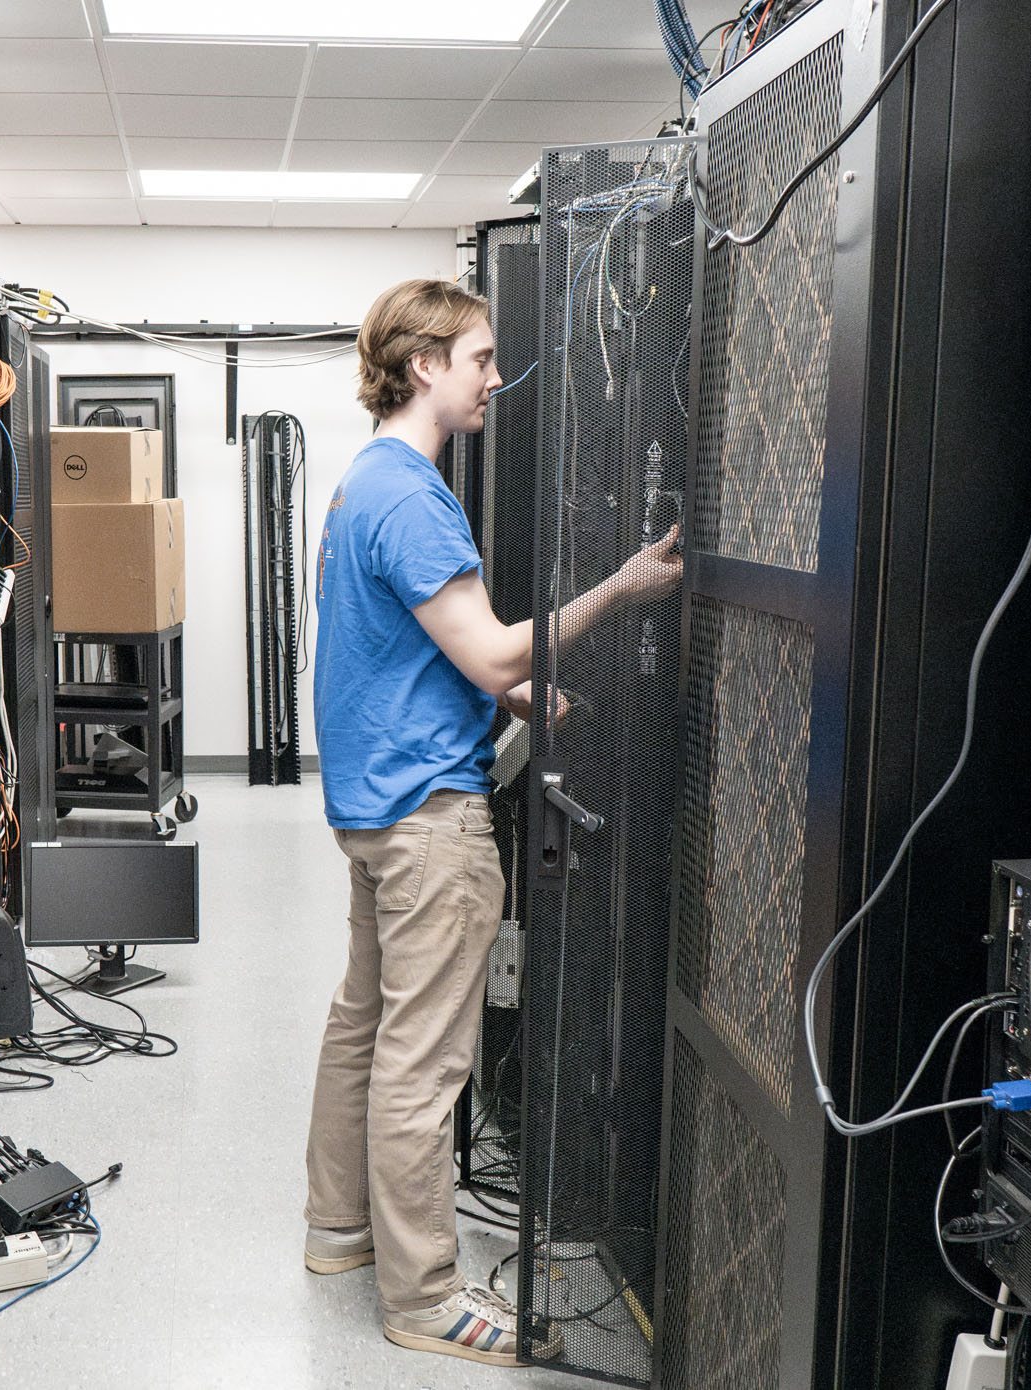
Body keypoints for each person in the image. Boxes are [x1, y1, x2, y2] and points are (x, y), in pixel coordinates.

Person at [302, 278, 682, 1367]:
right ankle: (422, 1297)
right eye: (477, 357)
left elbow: (404, 648)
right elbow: (491, 647)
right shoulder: (413, 496)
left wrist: (504, 696)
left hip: (373, 810)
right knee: (422, 1062)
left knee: (363, 1025)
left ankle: (339, 1228)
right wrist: (616, 587)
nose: (492, 378)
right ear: (422, 365)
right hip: (428, 821)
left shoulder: (356, 489)